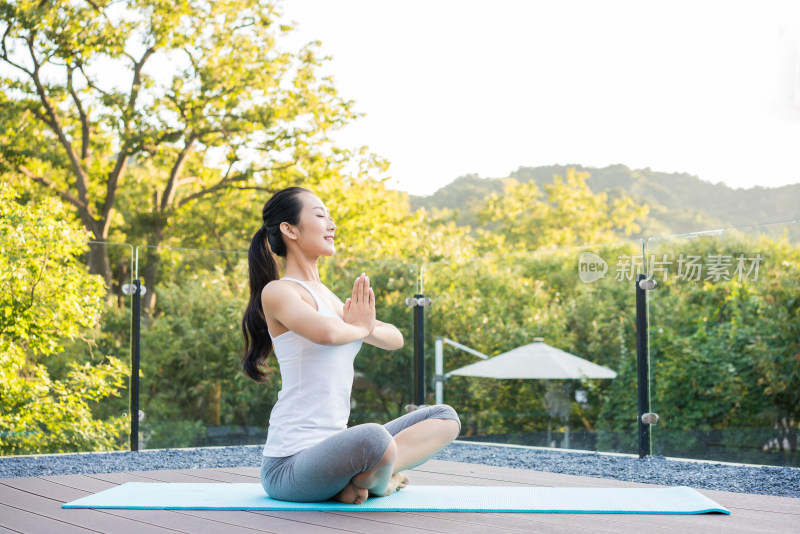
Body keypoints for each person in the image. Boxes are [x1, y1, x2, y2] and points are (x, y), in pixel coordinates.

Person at [241, 186, 460, 504]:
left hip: (338, 450)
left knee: (444, 416)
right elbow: (326, 334)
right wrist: (358, 326)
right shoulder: (279, 292)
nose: (331, 224)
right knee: (373, 437)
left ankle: (368, 478)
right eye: (320, 216)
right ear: (289, 229)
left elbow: (394, 338)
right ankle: (380, 480)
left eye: (330, 216)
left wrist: (360, 327)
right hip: (289, 466)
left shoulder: (329, 298)